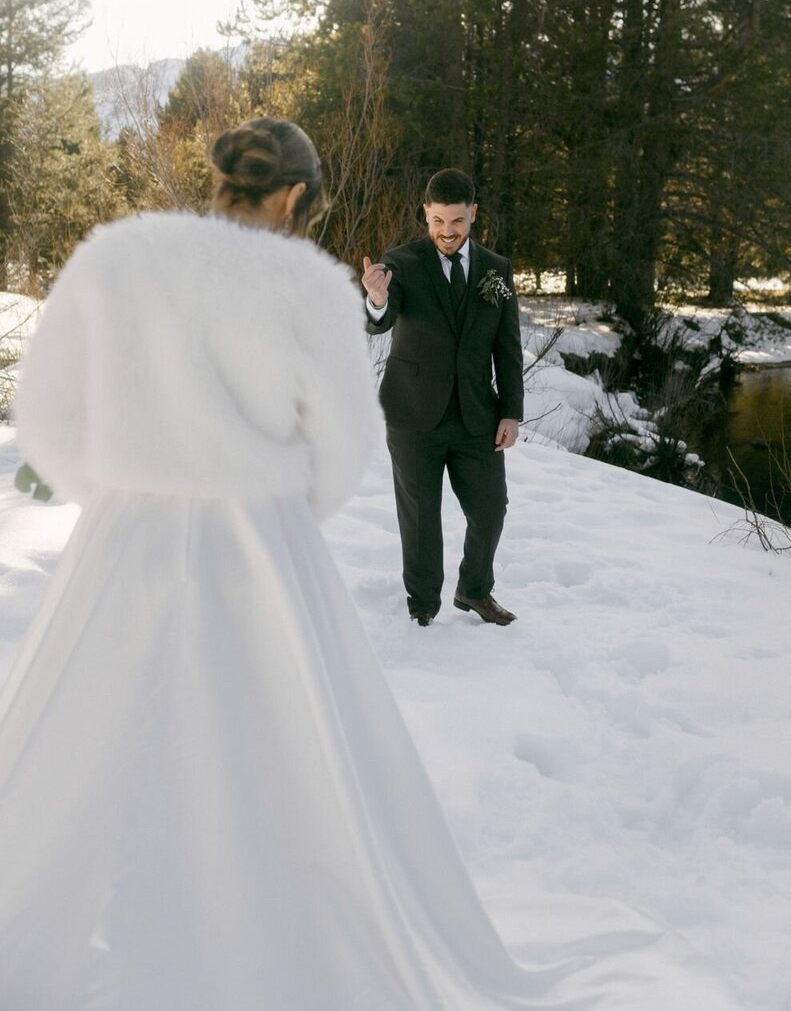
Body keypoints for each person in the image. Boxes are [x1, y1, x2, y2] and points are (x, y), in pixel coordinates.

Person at [0, 120, 548, 1009]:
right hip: (257, 542)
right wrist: (273, 500)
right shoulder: (303, 283)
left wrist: (124, 490)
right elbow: (339, 446)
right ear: (295, 196)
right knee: (271, 739)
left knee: (93, 720)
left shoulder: (115, 257)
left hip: (124, 538)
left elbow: (50, 421)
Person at [362, 168, 524, 627]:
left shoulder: (497, 270)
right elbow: (381, 318)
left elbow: (507, 348)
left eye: (456, 221)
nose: (446, 232)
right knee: (420, 516)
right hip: (413, 413)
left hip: (477, 415)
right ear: (426, 214)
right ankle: (422, 603)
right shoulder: (402, 262)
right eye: (437, 222)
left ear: (472, 213)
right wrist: (375, 300)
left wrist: (510, 411)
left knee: (491, 508)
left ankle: (474, 590)